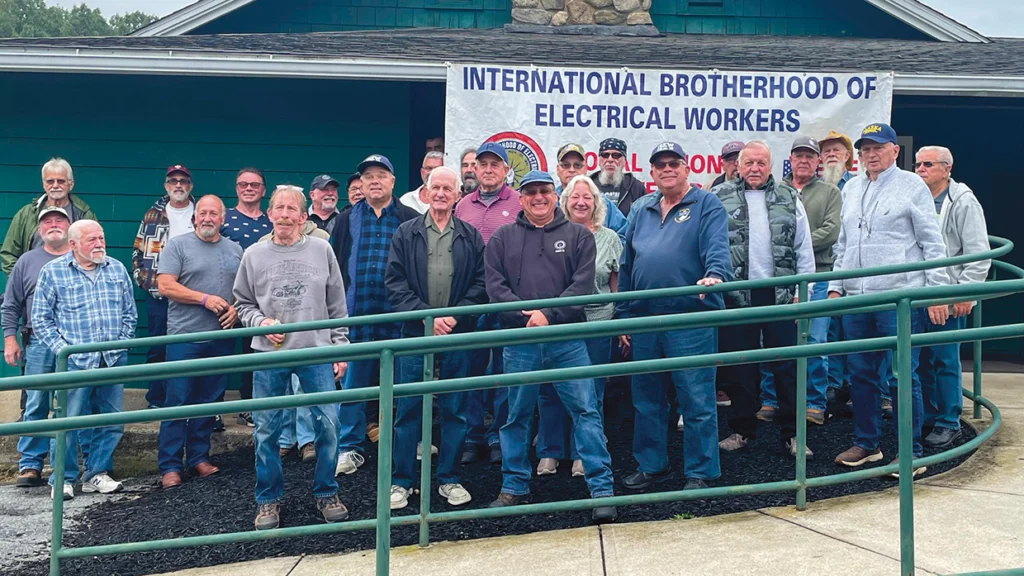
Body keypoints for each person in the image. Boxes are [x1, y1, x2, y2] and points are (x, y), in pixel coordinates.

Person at [484, 170, 616, 524]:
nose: (538, 197)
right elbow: (495, 287)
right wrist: (527, 317)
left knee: (586, 412)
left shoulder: (578, 236)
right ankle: (514, 486)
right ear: (521, 197)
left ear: (553, 195)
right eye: (531, 192)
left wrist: (549, 314)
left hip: (567, 340)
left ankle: (601, 489)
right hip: (520, 342)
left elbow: (582, 286)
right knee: (515, 417)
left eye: (544, 190)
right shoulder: (502, 238)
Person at [829, 123, 950, 476]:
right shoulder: (851, 188)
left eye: (878, 147)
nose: (871, 154)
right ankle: (867, 444)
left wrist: (935, 292)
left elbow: (932, 242)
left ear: (895, 151)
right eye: (866, 148)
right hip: (857, 298)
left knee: (902, 376)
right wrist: (837, 286)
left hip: (898, 297)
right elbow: (843, 244)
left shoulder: (912, 185)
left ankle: (909, 453)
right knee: (861, 375)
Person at [233, 185, 350, 530]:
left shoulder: (322, 249)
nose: (284, 214)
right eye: (278, 208)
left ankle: (327, 491)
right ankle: (268, 500)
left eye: (291, 209)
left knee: (328, 425)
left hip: (316, 350)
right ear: (269, 214)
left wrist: (340, 348)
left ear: (303, 217)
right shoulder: (253, 255)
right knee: (266, 430)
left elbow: (337, 304)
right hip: (270, 353)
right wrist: (261, 322)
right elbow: (242, 304)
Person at [618, 142, 731, 491]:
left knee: (695, 397)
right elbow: (627, 264)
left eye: (674, 163)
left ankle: (701, 472)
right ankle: (653, 466)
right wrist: (623, 314)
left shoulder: (706, 203)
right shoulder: (642, 208)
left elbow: (717, 248)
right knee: (646, 398)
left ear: (687, 168)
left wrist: (715, 275)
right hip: (645, 317)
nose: (667, 169)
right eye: (660, 164)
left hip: (690, 316)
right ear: (651, 173)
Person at [384, 166, 487, 509]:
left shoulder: (471, 236)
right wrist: (428, 318)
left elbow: (481, 284)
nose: (441, 193)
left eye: (448, 188)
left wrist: (453, 316)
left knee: (455, 409)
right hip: (415, 333)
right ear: (425, 193)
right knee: (408, 409)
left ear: (458, 195)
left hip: (457, 334)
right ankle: (400, 482)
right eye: (435, 187)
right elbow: (395, 283)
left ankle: (450, 479)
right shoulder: (405, 233)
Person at [712, 141, 817, 458]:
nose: (754, 168)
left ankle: (792, 434)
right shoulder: (720, 197)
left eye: (761, 162)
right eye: (749, 163)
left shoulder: (788, 197)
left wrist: (804, 292)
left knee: (787, 368)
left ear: (770, 165)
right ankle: (743, 430)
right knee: (740, 368)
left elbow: (804, 247)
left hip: (781, 293)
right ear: (738, 166)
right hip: (737, 294)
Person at [32, 219, 136, 500]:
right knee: (67, 420)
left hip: (112, 359)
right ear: (74, 244)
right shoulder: (53, 272)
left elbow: (130, 312)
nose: (99, 244)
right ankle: (62, 479)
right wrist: (63, 351)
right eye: (92, 240)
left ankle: (95, 474)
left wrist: (122, 344)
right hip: (75, 361)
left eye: (101, 238)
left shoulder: (116, 268)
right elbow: (41, 319)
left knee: (112, 420)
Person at [330, 154, 420, 475]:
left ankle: (410, 442)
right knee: (354, 386)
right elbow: (336, 269)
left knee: (403, 386)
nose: (375, 181)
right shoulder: (345, 219)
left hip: (398, 318)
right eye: (368, 176)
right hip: (357, 317)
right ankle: (349, 447)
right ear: (361, 183)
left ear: (393, 182)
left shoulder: (410, 218)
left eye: (381, 174)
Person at [535, 175, 622, 478]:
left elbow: (616, 286)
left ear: (596, 203)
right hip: (560, 323)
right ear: (565, 201)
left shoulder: (610, 238)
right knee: (550, 389)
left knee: (591, 391)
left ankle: (583, 453)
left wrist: (620, 324)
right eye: (575, 196)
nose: (581, 202)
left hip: (597, 324)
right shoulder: (549, 234)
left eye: (588, 197)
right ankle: (549, 451)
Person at [155, 195, 243, 489]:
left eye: (213, 214)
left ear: (223, 218)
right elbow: (165, 285)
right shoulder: (178, 245)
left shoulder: (235, 249)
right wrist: (204, 299)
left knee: (209, 401)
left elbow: (243, 290)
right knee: (177, 401)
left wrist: (234, 308)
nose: (207, 218)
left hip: (220, 338)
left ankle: (199, 458)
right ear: (195, 218)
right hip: (185, 338)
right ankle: (169, 466)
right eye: (202, 213)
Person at [758, 137, 842, 426]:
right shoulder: (775, 190)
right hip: (779, 278)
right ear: (790, 160)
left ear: (818, 161)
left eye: (810, 156)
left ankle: (814, 403)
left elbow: (831, 232)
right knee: (772, 340)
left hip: (817, 275)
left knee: (814, 340)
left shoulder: (830, 192)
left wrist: (794, 245)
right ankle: (770, 400)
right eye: (799, 156)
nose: (804, 161)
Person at [914, 146, 990, 448]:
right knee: (920, 360)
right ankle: (930, 416)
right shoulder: (915, 197)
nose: (920, 169)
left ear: (946, 169)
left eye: (927, 164)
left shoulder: (963, 202)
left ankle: (949, 421)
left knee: (944, 360)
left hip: (948, 294)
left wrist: (964, 294)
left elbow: (979, 253)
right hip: (919, 294)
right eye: (917, 164)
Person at [454, 142, 521, 465]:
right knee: (471, 370)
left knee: (506, 371)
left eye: (496, 164)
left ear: (506, 170)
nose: (489, 169)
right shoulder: (463, 205)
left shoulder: (520, 202)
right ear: (475, 169)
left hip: (508, 298)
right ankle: (472, 436)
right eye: (483, 164)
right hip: (472, 300)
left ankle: (499, 436)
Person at [3, 207, 72, 488]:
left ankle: (70, 466)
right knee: (36, 403)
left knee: (72, 405)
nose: (53, 225)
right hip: (38, 342)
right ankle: (30, 464)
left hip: (75, 342)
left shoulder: (80, 257)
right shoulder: (26, 261)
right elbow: (11, 304)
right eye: (47, 222)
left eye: (59, 220)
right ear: (39, 229)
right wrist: (9, 338)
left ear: (70, 227)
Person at [131, 165, 196, 411]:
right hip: (159, 295)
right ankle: (157, 400)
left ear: (190, 185)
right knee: (158, 348)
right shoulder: (152, 215)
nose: (178, 185)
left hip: (191, 297)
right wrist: (144, 281)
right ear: (166, 186)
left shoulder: (200, 213)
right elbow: (138, 250)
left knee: (192, 349)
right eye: (173, 181)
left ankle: (189, 401)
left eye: (183, 180)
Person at [221, 167, 272, 428]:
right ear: (236, 188)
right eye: (243, 184)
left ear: (263, 190)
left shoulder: (271, 221)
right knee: (224, 352)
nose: (249, 188)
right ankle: (215, 409)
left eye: (254, 184)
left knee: (255, 353)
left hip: (263, 300)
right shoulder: (224, 219)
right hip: (228, 299)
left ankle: (251, 405)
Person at [2, 158, 95, 275]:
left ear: (71, 184)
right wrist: (22, 279)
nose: (55, 186)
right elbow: (8, 254)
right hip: (34, 284)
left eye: (61, 181)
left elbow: (94, 250)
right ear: (44, 185)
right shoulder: (26, 214)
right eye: (50, 181)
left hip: (72, 283)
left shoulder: (84, 214)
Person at [554, 143, 626, 235]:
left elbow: (624, 236)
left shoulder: (603, 202)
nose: (571, 170)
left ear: (585, 168)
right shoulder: (550, 202)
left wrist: (603, 246)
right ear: (557, 169)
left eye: (577, 165)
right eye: (565, 165)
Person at [589, 138, 647, 217]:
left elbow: (643, 218)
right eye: (605, 155)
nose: (610, 160)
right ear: (599, 160)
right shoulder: (588, 185)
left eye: (616, 155)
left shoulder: (636, 187)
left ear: (624, 161)